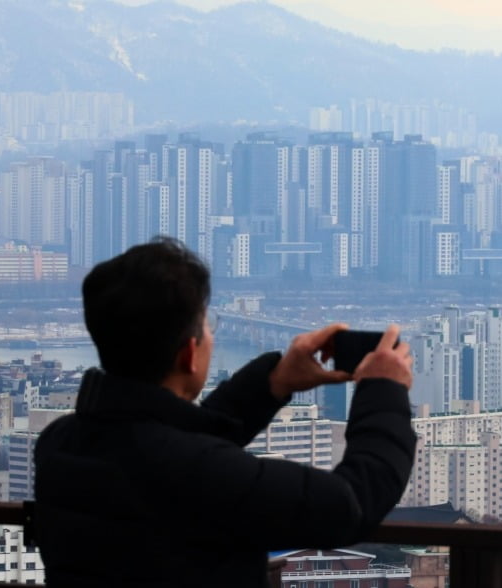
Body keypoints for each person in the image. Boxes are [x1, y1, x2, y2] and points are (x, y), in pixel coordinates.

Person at [34, 238, 416, 587]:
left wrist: (274, 383)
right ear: (189, 353)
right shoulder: (197, 471)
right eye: (207, 325)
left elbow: (169, 446)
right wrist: (384, 390)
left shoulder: (61, 443)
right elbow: (351, 505)